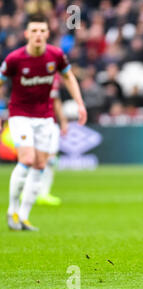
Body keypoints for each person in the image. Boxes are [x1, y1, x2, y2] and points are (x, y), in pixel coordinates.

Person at [0, 13, 87, 231]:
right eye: (34, 31)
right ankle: (12, 211)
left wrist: (79, 103)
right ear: (27, 34)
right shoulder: (14, 59)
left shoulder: (56, 56)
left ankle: (24, 216)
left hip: (45, 117)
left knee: (40, 164)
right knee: (27, 159)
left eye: (42, 31)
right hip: (20, 114)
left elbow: (68, 77)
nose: (38, 35)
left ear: (47, 34)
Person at [35, 73, 68, 206]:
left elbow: (56, 100)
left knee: (50, 160)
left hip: (50, 122)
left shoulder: (54, 76)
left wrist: (63, 120)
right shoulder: (32, 71)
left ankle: (44, 193)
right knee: (32, 158)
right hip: (32, 120)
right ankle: (30, 190)